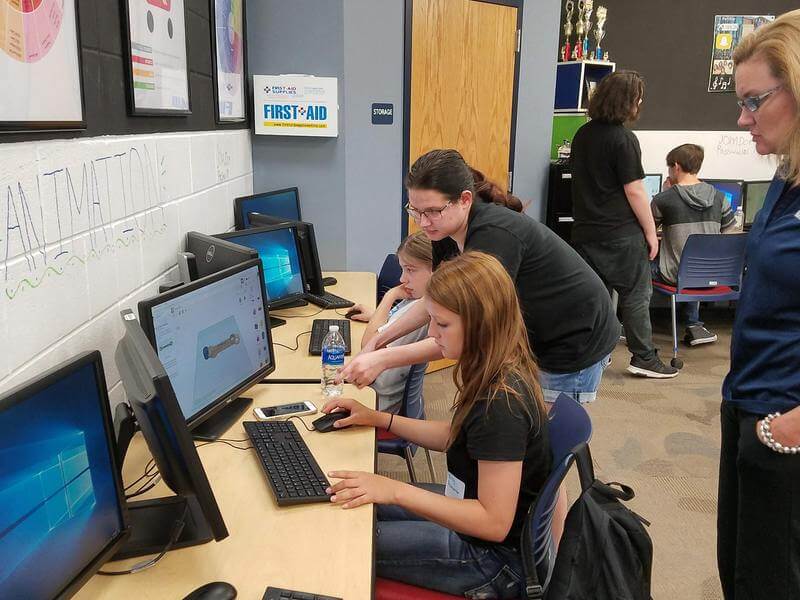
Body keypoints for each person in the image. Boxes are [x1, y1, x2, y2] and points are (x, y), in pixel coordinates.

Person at [322, 252, 551, 598]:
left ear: (481, 323)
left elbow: (493, 521)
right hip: (471, 517)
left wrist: (395, 489)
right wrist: (379, 418)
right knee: (349, 502)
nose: (431, 333)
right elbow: (455, 437)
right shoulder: (494, 364)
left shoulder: (502, 403)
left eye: (442, 324)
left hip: (488, 559)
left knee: (344, 538)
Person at [340, 149, 619, 405]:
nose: (423, 222)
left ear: (464, 200)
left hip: (572, 338)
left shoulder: (493, 237)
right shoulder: (444, 231)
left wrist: (384, 358)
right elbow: (434, 302)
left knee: (542, 448)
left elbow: (467, 330)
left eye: (433, 211)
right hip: (534, 335)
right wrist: (380, 340)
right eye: (416, 211)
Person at [717, 9, 800, 599]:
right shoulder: (785, 178)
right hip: (746, 407)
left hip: (784, 427)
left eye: (755, 101)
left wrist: (789, 426)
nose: (743, 119)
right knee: (741, 576)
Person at [570, 71, 678, 378]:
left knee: (595, 296)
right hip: (619, 234)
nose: (641, 103)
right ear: (628, 102)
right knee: (635, 294)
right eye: (639, 98)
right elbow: (634, 191)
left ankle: (592, 354)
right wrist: (650, 233)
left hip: (585, 232)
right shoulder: (624, 140)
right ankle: (643, 357)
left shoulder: (583, 135)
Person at [651, 143, 735, 346]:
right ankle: (694, 325)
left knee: (637, 267)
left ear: (676, 167)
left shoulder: (664, 199)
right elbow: (730, 234)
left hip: (675, 276)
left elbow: (646, 233)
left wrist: (664, 195)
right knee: (692, 264)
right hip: (711, 274)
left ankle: (634, 327)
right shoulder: (720, 197)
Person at [347, 232, 433, 413]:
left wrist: (389, 296)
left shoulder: (418, 306)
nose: (402, 279)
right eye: (403, 269)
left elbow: (367, 345)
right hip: (384, 394)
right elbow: (395, 322)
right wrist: (378, 315)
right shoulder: (419, 300)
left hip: (376, 400)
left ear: (435, 270)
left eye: (410, 270)